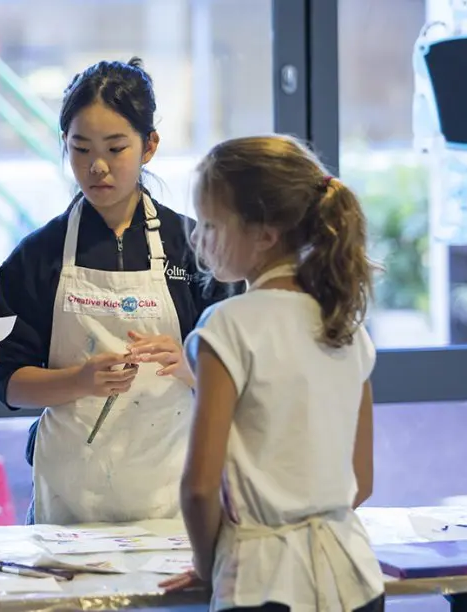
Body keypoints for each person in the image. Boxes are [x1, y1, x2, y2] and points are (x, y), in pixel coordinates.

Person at [0, 58, 244, 526]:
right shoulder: (39, 255)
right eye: (80, 149)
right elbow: (8, 382)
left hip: (173, 486)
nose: (97, 167)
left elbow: (243, 380)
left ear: (149, 147)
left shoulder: (195, 248)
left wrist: (191, 366)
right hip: (69, 492)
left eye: (115, 148)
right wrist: (78, 381)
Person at [159, 135, 385, 611]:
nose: (198, 239)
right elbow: (360, 480)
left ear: (264, 234)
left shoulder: (228, 325)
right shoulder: (345, 324)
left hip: (262, 582)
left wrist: (206, 566)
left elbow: (199, 488)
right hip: (355, 576)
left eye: (211, 224)